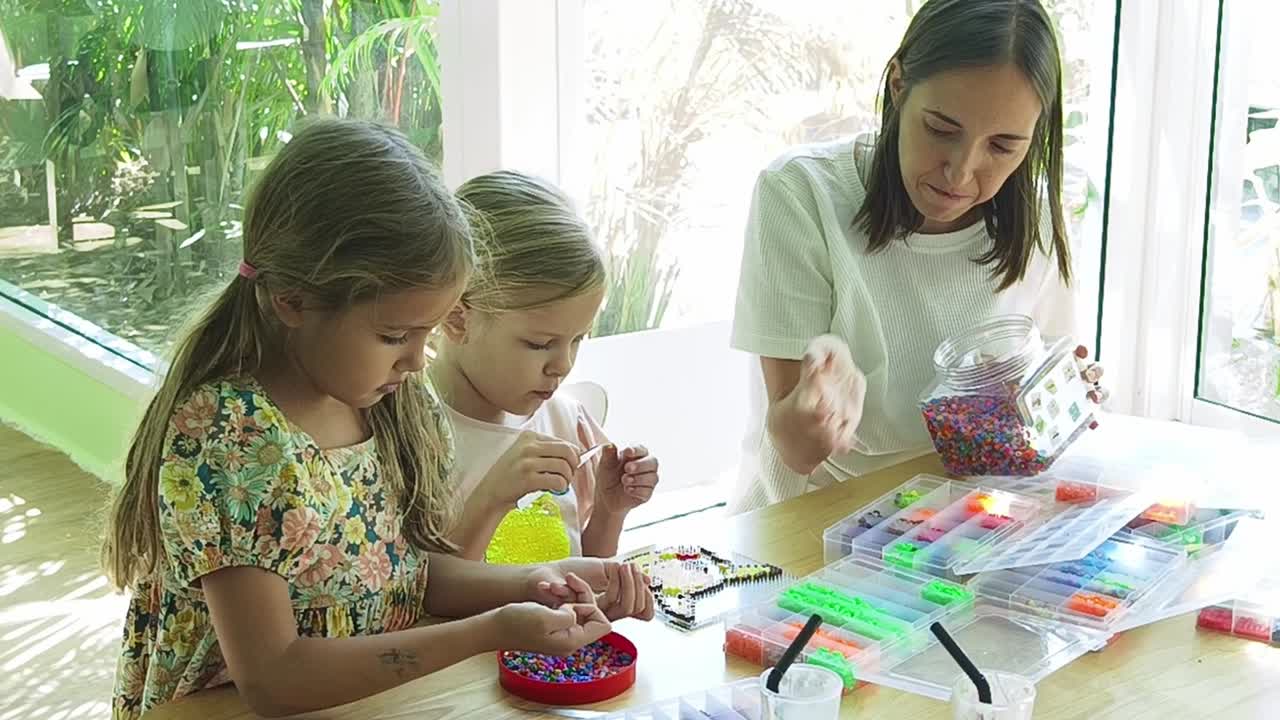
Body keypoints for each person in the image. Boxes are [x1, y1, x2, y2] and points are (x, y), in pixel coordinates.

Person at [101, 119, 652, 720]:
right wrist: (489, 630)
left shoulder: (385, 401)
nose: (418, 360)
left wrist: (536, 582)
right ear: (291, 300)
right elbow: (273, 679)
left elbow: (403, 577)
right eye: (395, 334)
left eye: (424, 332)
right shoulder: (231, 437)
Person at [730, 0, 1104, 513]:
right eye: (941, 129)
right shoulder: (800, 193)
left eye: (1002, 146)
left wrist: (1063, 397)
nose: (960, 173)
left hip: (959, 526)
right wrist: (818, 413)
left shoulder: (1035, 218)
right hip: (809, 527)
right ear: (898, 85)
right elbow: (795, 451)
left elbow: (1038, 413)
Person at [430, 170, 661, 565]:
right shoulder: (409, 433)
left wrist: (610, 510)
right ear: (457, 318)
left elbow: (580, 572)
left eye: (578, 339)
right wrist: (492, 497)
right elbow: (421, 594)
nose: (563, 365)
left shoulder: (565, 419)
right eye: (539, 344)